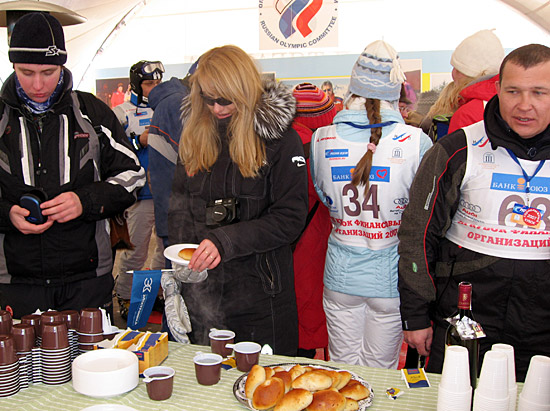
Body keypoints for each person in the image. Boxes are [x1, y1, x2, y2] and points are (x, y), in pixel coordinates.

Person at [398, 44, 550, 382]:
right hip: (465, 319)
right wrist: (416, 315)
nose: (524, 104)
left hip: (541, 326)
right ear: (497, 89)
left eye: (539, 92)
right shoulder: (458, 148)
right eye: (513, 91)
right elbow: (417, 234)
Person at [0, 13, 145, 318]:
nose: (38, 84)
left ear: (62, 66)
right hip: (15, 283)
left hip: (86, 281)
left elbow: (133, 175)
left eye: (48, 72)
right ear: (13, 66)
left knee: (91, 351)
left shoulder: (91, 111)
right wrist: (7, 214)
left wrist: (85, 201)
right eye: (26, 72)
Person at [167, 45, 308, 355]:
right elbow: (179, 208)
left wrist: (225, 240)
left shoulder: (279, 139)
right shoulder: (194, 135)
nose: (216, 108)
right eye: (208, 99)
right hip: (204, 292)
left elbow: (290, 218)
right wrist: (178, 269)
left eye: (225, 100)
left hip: (262, 296)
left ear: (243, 91)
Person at [311, 40, 433, 368]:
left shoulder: (321, 138)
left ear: (353, 88)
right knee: (380, 374)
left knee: (342, 371)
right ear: (396, 92)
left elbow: (323, 196)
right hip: (390, 282)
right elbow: (421, 216)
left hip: (339, 277)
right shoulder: (416, 142)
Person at [112, 60, 166, 319]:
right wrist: (137, 141)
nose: (154, 88)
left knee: (165, 251)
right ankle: (124, 296)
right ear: (136, 85)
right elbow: (111, 151)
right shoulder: (121, 113)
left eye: (158, 82)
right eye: (148, 83)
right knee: (136, 251)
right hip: (139, 193)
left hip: (166, 191)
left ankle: (154, 293)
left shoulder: (167, 108)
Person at [291, 83, 336, 358]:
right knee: (307, 313)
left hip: (283, 245)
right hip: (311, 244)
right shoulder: (317, 150)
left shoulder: (273, 140)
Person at [421, 29, 504, 140]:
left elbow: (454, 151)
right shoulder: (512, 105)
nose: (453, 74)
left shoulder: (466, 114)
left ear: (469, 72)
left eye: (458, 69)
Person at [147, 61, 196, 249]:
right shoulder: (178, 104)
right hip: (183, 217)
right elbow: (202, 160)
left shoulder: (176, 101)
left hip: (180, 214)